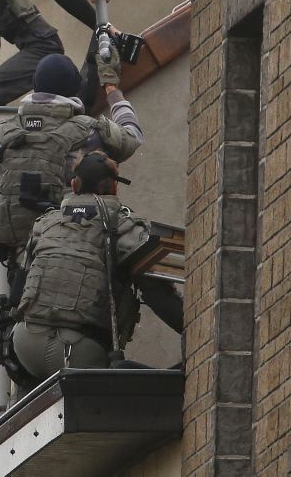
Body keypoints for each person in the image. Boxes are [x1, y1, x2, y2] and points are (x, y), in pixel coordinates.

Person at [10, 151, 182, 385]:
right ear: (113, 187)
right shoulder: (122, 227)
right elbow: (158, 294)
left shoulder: (46, 223)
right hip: (78, 351)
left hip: (24, 344)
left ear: (74, 184)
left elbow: (18, 290)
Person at [0, 35, 140, 259]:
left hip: (19, 255)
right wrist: (111, 89)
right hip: (70, 250)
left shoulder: (6, 133)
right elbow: (132, 137)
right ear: (72, 90)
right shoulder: (88, 131)